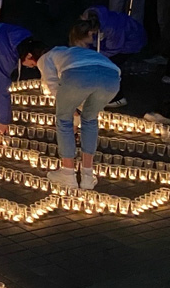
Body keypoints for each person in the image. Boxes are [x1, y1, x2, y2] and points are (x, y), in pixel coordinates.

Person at [36, 38, 121, 191]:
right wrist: (77, 109)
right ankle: (88, 175)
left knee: (64, 120)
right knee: (90, 119)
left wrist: (69, 108)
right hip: (112, 77)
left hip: (78, 75)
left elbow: (54, 85)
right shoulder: (74, 52)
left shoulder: (46, 57)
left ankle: (68, 173)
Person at [76, 6, 147, 108]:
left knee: (109, 66)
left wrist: (95, 56)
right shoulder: (89, 18)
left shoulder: (112, 28)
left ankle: (118, 98)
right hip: (113, 41)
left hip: (131, 42)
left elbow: (113, 50)